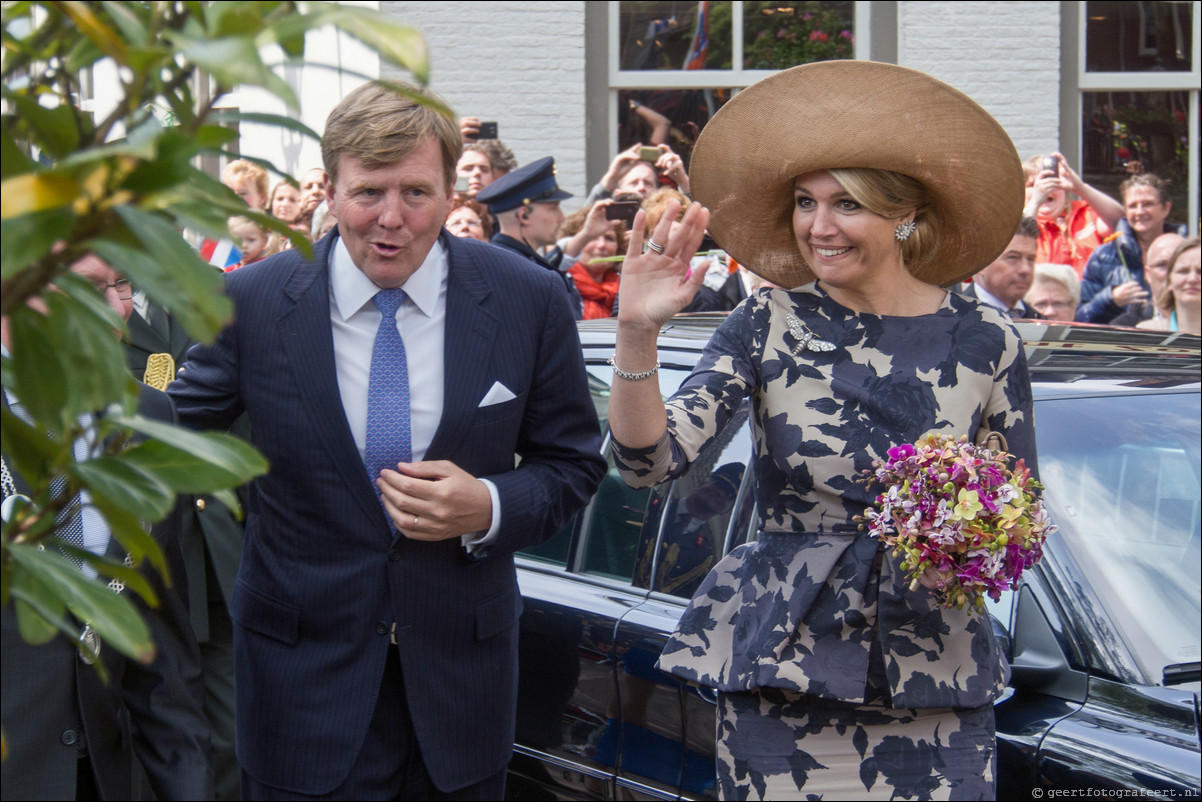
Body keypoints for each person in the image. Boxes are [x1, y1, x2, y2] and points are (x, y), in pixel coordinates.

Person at [167, 80, 606, 801]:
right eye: (369, 192)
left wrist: (490, 505)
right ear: (331, 192)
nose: (391, 219)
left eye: (417, 193)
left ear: (451, 194)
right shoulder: (252, 303)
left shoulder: (526, 300)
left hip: (462, 698)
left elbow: (573, 464)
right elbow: (168, 443)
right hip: (299, 695)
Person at [607, 61, 1034, 800]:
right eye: (806, 202)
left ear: (904, 215)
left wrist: (964, 527)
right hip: (784, 674)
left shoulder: (988, 338)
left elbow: (1019, 510)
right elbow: (650, 462)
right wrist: (636, 333)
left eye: (846, 205)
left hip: (935, 680)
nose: (817, 226)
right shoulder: (766, 321)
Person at [2, 255, 213, 801]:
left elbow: (160, 646)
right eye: (93, 287)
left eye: (123, 286)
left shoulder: (148, 418)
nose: (120, 309)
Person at [476, 156, 584, 319]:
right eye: (553, 208)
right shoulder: (512, 271)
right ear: (524, 215)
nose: (561, 218)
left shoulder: (514, 262)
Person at [1076, 173, 1187, 324]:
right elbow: (1079, 317)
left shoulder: (1187, 253)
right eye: (1133, 206)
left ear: (1165, 209)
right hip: (1118, 343)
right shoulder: (1103, 257)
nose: (1140, 211)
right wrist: (1110, 299)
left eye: (1147, 204)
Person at [1022, 152, 1123, 276]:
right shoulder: (1017, 224)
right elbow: (1013, 242)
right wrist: (1035, 201)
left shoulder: (1085, 213)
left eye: (1051, 181)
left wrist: (1080, 187)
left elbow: (1121, 222)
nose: (1044, 188)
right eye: (1032, 185)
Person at [960, 217, 1045, 318]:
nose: (1025, 269)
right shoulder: (953, 322)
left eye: (1030, 259)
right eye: (1013, 257)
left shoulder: (1039, 320)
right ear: (981, 264)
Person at [562, 203, 626, 320]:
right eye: (592, 237)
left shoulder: (626, 286)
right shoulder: (561, 283)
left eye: (609, 238)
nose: (601, 245)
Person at [1111, 232, 1185, 327]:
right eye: (1162, 265)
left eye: (1179, 264)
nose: (1170, 273)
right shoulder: (1125, 328)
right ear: (1148, 274)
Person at [585, 143, 690, 205]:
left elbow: (701, 223)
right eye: (633, 183)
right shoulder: (610, 227)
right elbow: (582, 227)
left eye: (648, 183)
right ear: (617, 193)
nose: (641, 188)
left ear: (657, 192)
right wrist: (611, 178)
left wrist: (682, 181)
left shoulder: (669, 223)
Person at [1137, 237, 1201, 336]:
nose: (1192, 279)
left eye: (1200, 271)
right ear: (1169, 281)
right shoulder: (1146, 333)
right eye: (1183, 271)